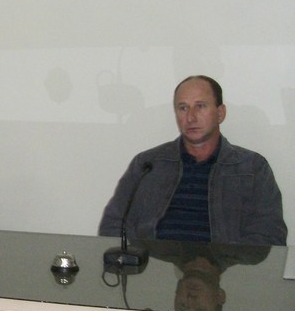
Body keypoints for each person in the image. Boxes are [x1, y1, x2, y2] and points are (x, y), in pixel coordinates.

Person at [99, 75, 286, 247]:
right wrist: (139, 261)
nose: (191, 117)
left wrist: (221, 262)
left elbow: (270, 235)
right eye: (183, 108)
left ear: (220, 113)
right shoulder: (147, 164)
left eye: (200, 106)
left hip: (225, 269)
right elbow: (113, 224)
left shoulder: (252, 168)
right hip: (154, 267)